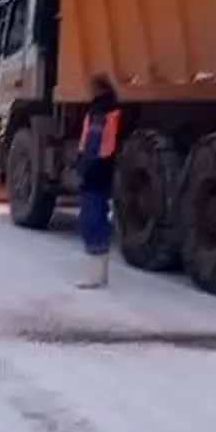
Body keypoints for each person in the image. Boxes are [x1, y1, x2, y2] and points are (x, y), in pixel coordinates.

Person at [75, 75, 121, 282]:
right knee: (101, 219)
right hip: (107, 168)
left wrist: (83, 168)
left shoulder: (99, 111)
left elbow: (93, 143)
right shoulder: (114, 108)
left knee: (89, 221)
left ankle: (93, 275)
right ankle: (101, 273)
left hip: (95, 169)